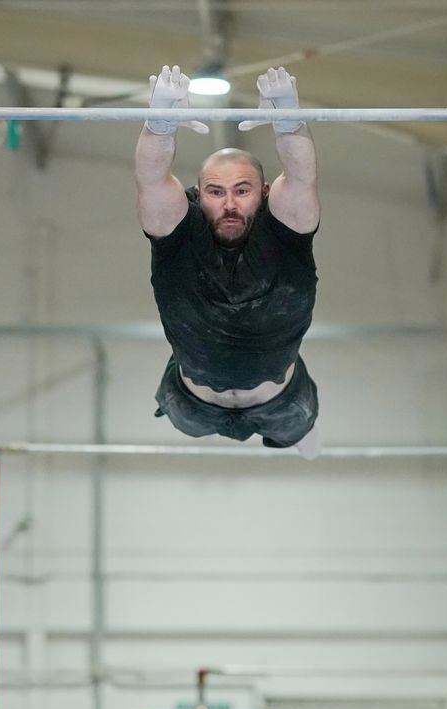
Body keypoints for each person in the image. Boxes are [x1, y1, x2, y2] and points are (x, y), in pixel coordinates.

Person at [135, 65, 323, 458]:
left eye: (242, 190)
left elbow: (301, 178)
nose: (230, 204)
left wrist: (288, 121)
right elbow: (151, 180)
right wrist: (160, 125)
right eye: (216, 192)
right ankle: (288, 434)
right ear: (197, 194)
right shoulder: (178, 236)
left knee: (298, 432)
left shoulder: (285, 232)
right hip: (191, 405)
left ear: (265, 193)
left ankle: (298, 433)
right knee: (195, 427)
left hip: (282, 403)